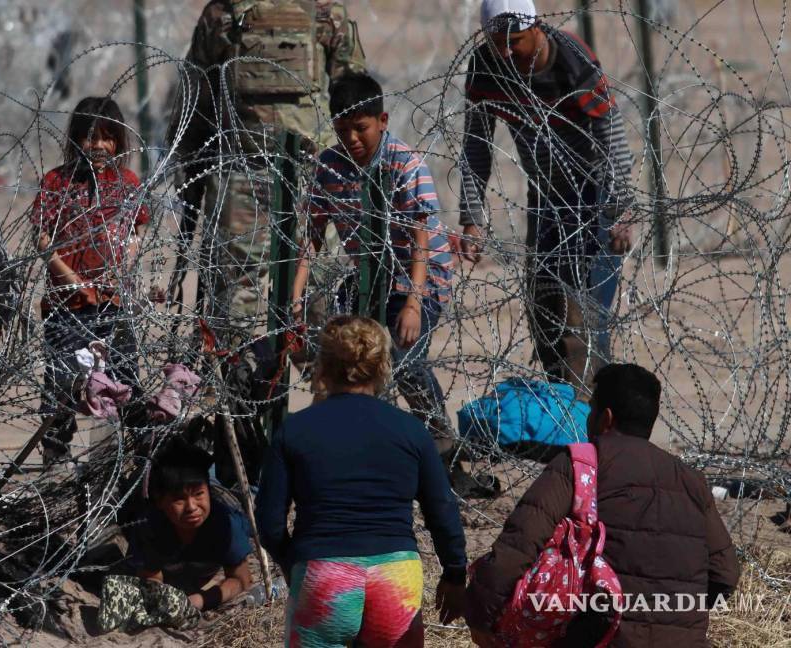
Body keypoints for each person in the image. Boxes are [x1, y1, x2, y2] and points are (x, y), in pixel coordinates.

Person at [465, 363, 740, 646]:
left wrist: (479, 615)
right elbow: (726, 574)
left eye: (591, 411)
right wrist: (675, 611)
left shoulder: (582, 465)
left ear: (605, 418)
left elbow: (518, 545)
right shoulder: (691, 480)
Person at [255, 316, 467, 647]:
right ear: (384, 365)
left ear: (322, 365)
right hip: (395, 576)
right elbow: (442, 510)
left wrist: (295, 563)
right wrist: (455, 575)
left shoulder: (295, 431)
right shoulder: (411, 431)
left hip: (325, 573)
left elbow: (269, 523)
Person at [457, 0, 635, 393]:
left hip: (594, 192)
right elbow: (476, 143)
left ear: (536, 28)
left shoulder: (571, 60)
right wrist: (472, 215)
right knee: (545, 306)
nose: (505, 52)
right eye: (496, 42)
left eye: (515, 41)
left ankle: (588, 417)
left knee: (583, 311)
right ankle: (561, 403)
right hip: (547, 193)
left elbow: (612, 135)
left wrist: (621, 209)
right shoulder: (487, 65)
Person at [169, 0, 366, 348]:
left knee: (314, 287)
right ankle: (244, 388)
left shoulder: (321, 11)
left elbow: (353, 91)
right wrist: (188, 159)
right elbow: (198, 88)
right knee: (238, 290)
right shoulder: (228, 11)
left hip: (302, 171)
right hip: (254, 166)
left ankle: (317, 386)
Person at [292, 72, 458, 466]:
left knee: (404, 357)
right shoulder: (329, 167)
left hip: (420, 274)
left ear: (382, 122)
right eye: (342, 129)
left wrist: (414, 304)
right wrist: (294, 297)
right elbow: (312, 236)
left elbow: (420, 236)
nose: (351, 138)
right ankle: (357, 440)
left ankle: (442, 440)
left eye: (360, 128)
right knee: (346, 355)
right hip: (368, 273)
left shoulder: (405, 165)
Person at [30, 96, 155, 465]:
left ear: (118, 141)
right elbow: (43, 240)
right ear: (75, 140)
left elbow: (134, 233)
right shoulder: (57, 182)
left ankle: (142, 455)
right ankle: (54, 457)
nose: (98, 145)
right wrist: (73, 281)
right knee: (61, 386)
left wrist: (120, 272)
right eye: (90, 137)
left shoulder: (127, 183)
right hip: (66, 307)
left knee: (125, 380)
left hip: (113, 305)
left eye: (107, 137)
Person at [100, 438, 253, 632]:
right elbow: (152, 579)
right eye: (179, 499)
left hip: (198, 581)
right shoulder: (150, 525)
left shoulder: (225, 523)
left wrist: (199, 601)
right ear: (160, 502)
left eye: (199, 494)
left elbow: (242, 579)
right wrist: (165, 599)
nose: (191, 507)